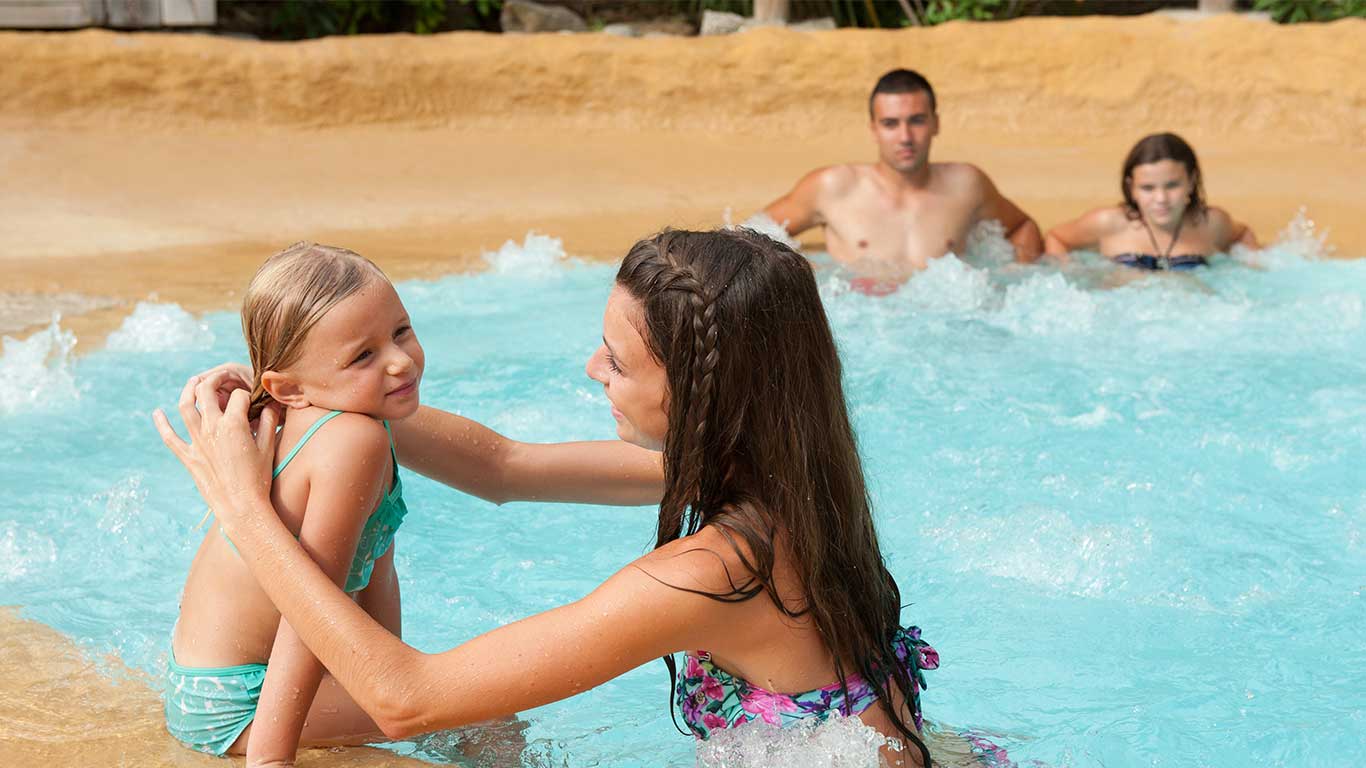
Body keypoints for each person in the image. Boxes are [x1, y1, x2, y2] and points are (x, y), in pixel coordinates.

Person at [155, 229, 939, 767]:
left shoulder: (712, 573)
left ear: (703, 394)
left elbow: (406, 700)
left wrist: (243, 508)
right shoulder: (788, 475)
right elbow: (504, 466)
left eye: (618, 361)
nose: (592, 368)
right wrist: (317, 386)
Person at [760, 68, 1043, 285]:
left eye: (917, 121)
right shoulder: (833, 187)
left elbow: (1024, 227)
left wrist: (1015, 277)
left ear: (935, 124)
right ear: (874, 129)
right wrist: (810, 276)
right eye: (890, 124)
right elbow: (751, 238)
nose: (905, 137)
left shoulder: (967, 184)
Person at [1044, 132, 1258, 269]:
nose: (1161, 199)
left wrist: (1251, 270)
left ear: (1192, 182)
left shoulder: (1210, 223)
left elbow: (1243, 234)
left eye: (1172, 185)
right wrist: (1071, 274)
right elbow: (1056, 238)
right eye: (1148, 188)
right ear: (1131, 187)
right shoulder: (1108, 223)